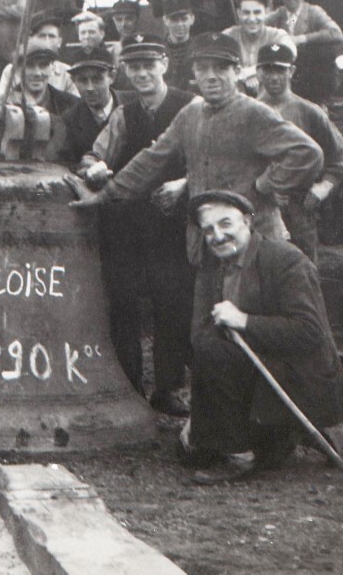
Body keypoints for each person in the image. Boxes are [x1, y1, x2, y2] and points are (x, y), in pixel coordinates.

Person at [66, 32, 324, 263]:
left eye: (221, 68)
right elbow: (150, 160)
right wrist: (105, 195)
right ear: (195, 73)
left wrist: (263, 186)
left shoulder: (253, 113)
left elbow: (307, 153)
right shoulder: (190, 114)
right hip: (208, 245)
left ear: (237, 71)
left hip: (255, 242)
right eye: (202, 68)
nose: (211, 76)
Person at [180, 190, 343, 483]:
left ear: (247, 221)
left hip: (299, 375)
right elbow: (204, 330)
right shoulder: (216, 265)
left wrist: (243, 321)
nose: (217, 236)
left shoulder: (285, 259)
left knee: (213, 352)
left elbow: (308, 332)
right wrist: (201, 412)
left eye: (225, 224)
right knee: (189, 451)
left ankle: (241, 454)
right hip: (258, 365)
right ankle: (285, 431)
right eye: (208, 230)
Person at [76, 36, 196, 409]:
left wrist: (185, 183)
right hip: (128, 223)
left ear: (165, 65)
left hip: (173, 223)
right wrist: (93, 168)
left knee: (172, 303)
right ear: (125, 71)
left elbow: (209, 158)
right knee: (123, 302)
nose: (142, 73)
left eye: (149, 65)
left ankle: (167, 388)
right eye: (134, 67)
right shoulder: (124, 114)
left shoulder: (190, 106)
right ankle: (130, 386)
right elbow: (94, 154)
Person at [256, 43, 343, 263]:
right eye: (268, 69)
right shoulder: (248, 111)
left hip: (298, 207)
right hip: (260, 206)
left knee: (303, 269)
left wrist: (322, 188)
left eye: (280, 69)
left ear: (291, 71)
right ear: (258, 72)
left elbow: (342, 156)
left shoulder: (309, 111)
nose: (274, 76)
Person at [266, 0, 343, 105]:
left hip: (312, 76)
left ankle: (320, 103)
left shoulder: (313, 12)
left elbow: (336, 33)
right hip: (286, 73)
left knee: (323, 52)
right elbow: (260, 30)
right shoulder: (277, 15)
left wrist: (302, 39)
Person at [223, 0, 294, 95]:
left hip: (272, 96)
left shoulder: (277, 35)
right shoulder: (228, 35)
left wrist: (250, 73)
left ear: (266, 12)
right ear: (239, 13)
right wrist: (244, 77)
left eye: (257, 12)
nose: (252, 19)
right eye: (246, 13)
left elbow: (291, 54)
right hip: (239, 95)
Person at [0, 11, 79, 98]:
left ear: (59, 42)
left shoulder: (67, 72)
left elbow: (76, 103)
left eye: (51, 36)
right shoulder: (11, 70)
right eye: (42, 36)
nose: (47, 41)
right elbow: (2, 101)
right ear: (30, 39)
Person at [59, 57, 120, 167]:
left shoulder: (132, 106)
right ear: (73, 81)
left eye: (97, 79)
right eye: (83, 80)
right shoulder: (69, 120)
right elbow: (67, 164)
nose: (90, 88)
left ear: (112, 77)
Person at [162, 0, 196, 91]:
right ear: (165, 21)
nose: (180, 24)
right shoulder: (158, 50)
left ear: (192, 19)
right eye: (174, 20)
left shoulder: (200, 48)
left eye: (184, 19)